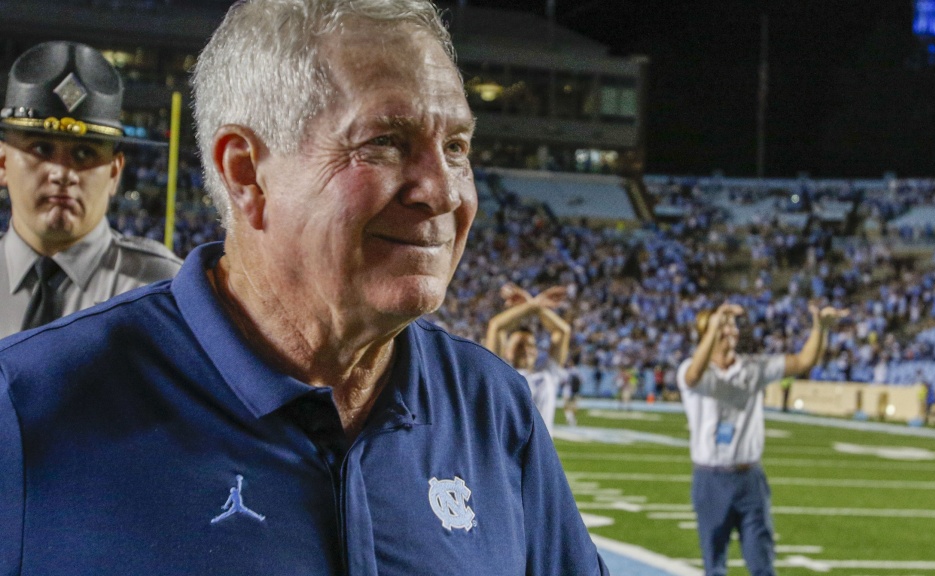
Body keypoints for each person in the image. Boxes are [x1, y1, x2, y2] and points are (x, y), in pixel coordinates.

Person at [0, 2, 607, 574]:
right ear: (246, 173)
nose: (444, 192)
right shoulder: (30, 407)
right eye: (386, 143)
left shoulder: (490, 406)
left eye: (455, 147)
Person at [0, 41, 182, 338]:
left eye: (84, 153)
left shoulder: (162, 290)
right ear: (3, 162)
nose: (63, 173)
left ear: (114, 173)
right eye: (41, 148)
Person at [678, 301, 846, 576]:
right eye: (723, 326)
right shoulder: (690, 368)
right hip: (710, 477)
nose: (729, 331)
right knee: (715, 566)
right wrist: (714, 325)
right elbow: (694, 376)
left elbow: (804, 361)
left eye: (731, 326)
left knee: (762, 564)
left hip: (749, 478)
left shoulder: (752, 368)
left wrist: (820, 328)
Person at [485, 282, 571, 434]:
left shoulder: (547, 375)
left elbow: (563, 330)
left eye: (531, 345)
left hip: (540, 457)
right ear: (507, 352)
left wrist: (533, 305)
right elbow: (496, 326)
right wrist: (534, 304)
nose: (526, 350)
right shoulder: (498, 373)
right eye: (519, 345)